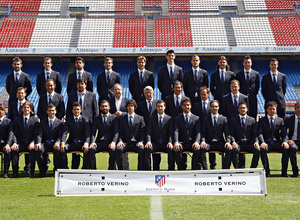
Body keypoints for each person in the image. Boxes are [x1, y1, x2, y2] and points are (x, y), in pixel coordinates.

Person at [257, 101, 289, 177]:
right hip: (267, 143)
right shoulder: (262, 120)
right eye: (270, 109)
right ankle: (267, 172)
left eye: (273, 109)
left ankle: (284, 172)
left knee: (286, 149)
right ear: (267, 110)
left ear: (276, 109)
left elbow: (284, 133)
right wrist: (262, 142)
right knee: (263, 150)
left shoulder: (280, 120)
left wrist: (285, 142)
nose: (272, 111)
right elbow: (260, 133)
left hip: (277, 142)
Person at [11, 101, 42, 178]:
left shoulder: (35, 120)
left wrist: (33, 142)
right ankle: (15, 172)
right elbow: (14, 133)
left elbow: (37, 133)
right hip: (20, 143)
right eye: (24, 107)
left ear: (31, 109)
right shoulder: (17, 120)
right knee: (14, 150)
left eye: (28, 107)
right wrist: (15, 143)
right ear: (22, 109)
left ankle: (32, 172)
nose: (26, 109)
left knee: (33, 150)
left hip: (30, 143)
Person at [200, 100, 233, 169]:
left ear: (218, 107)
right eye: (212, 106)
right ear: (210, 107)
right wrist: (203, 141)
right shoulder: (205, 119)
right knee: (201, 148)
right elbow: (203, 133)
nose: (214, 108)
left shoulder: (224, 119)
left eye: (216, 106)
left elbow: (227, 133)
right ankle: (205, 170)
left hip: (220, 143)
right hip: (209, 143)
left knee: (229, 148)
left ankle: (225, 169)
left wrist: (228, 142)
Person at [116, 99, 146, 170]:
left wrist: (141, 141)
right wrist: (120, 140)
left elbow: (143, 132)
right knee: (118, 149)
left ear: (134, 107)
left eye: (132, 106)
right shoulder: (122, 119)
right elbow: (120, 132)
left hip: (136, 143)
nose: (130, 107)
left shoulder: (140, 118)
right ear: (126, 107)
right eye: (129, 106)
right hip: (126, 143)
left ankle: (140, 169)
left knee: (142, 149)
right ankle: (120, 169)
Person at [89, 100, 119, 170]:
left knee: (113, 150)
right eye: (102, 106)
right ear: (100, 108)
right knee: (91, 149)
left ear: (109, 107)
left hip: (110, 142)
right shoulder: (96, 118)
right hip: (100, 142)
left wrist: (113, 142)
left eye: (106, 106)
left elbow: (116, 132)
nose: (104, 108)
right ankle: (93, 169)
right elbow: (93, 132)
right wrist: (93, 141)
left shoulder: (114, 118)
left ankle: (111, 169)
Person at [229, 101, 260, 169]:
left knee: (257, 150)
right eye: (240, 108)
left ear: (247, 109)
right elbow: (231, 134)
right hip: (238, 144)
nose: (242, 109)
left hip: (249, 143)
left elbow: (255, 134)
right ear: (238, 109)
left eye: (243, 108)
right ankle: (237, 170)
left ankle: (252, 170)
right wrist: (233, 142)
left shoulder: (252, 120)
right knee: (234, 150)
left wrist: (256, 142)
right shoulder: (233, 120)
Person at [145, 100, 174, 170]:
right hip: (155, 143)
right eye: (158, 106)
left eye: (161, 106)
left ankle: (171, 170)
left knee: (171, 149)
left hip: (165, 143)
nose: (160, 108)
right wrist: (148, 141)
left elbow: (170, 132)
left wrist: (170, 142)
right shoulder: (152, 119)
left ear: (164, 107)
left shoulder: (169, 119)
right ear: (156, 108)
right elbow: (149, 131)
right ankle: (148, 170)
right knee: (147, 149)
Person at [192, 86, 216, 170]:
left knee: (212, 148)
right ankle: (199, 166)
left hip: (210, 130)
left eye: (205, 94)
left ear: (208, 95)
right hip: (199, 129)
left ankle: (213, 165)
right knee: (200, 148)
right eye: (201, 94)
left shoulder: (213, 105)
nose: (203, 96)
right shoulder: (195, 105)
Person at [173, 98, 201, 170]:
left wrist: (197, 142)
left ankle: (194, 169)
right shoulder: (177, 118)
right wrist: (176, 142)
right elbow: (176, 131)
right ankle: (181, 169)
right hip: (182, 143)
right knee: (176, 148)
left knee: (198, 148)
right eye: (184, 105)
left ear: (191, 106)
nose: (186, 107)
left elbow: (198, 132)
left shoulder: (196, 118)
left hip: (192, 142)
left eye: (188, 105)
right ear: (182, 106)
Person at [61, 102, 90, 169]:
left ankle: (85, 168)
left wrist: (86, 143)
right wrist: (62, 143)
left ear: (80, 110)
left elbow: (87, 133)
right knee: (62, 148)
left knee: (88, 149)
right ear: (72, 111)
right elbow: (65, 132)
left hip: (81, 143)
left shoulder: (85, 120)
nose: (76, 111)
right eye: (74, 109)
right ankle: (65, 168)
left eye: (77, 109)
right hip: (71, 142)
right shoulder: (68, 120)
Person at [8, 87, 30, 174]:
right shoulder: (12, 104)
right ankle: (15, 170)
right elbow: (10, 117)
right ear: (16, 94)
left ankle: (27, 168)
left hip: (27, 131)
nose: (21, 95)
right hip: (16, 132)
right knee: (14, 149)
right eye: (19, 93)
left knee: (28, 150)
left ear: (25, 94)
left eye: (22, 93)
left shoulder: (29, 104)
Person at [35, 104, 64, 172]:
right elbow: (39, 134)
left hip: (55, 143)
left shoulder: (60, 123)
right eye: (50, 111)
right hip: (45, 143)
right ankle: (43, 170)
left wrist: (57, 142)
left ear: (56, 111)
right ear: (47, 111)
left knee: (57, 150)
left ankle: (56, 170)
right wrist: (38, 143)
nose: (51, 112)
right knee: (38, 149)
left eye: (53, 110)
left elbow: (61, 135)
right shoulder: (42, 122)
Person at [108, 83, 129, 170]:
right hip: (112, 129)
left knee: (123, 152)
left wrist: (122, 113)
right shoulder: (109, 101)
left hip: (124, 129)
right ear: (113, 91)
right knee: (112, 151)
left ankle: (125, 171)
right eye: (115, 89)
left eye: (119, 89)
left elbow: (132, 113)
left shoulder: (127, 101)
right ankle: (113, 171)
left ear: (122, 90)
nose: (117, 91)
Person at [284, 102, 300, 177]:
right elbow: (284, 132)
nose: (299, 109)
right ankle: (295, 172)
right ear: (294, 108)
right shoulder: (289, 119)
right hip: (294, 142)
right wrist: (287, 140)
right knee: (292, 148)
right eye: (298, 107)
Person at [0, 104, 14, 178]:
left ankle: (6, 172)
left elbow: (10, 134)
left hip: (4, 144)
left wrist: (8, 144)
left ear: (4, 111)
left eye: (1, 109)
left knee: (7, 151)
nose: (0, 111)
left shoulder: (9, 122)